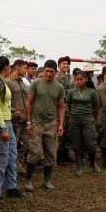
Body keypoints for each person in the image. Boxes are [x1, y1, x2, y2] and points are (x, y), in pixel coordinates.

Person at [24, 60, 65, 190]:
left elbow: (61, 107)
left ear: (56, 72)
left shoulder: (59, 87)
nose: (48, 73)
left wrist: (60, 124)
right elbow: (28, 103)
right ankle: (28, 180)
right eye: (46, 71)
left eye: (51, 71)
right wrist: (28, 122)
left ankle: (47, 180)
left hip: (51, 124)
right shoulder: (36, 83)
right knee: (35, 152)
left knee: (51, 153)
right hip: (36, 123)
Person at [0, 56, 23, 202]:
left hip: (7, 122)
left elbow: (4, 104)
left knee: (12, 156)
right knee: (1, 159)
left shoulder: (2, 83)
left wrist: (13, 111)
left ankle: (11, 187)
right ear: (6, 67)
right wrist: (3, 128)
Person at [66, 71, 100, 176]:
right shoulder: (71, 92)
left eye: (81, 79)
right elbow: (69, 105)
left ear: (86, 80)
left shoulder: (92, 92)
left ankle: (92, 163)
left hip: (88, 119)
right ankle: (79, 166)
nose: (79, 81)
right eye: (77, 79)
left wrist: (93, 118)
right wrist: (73, 115)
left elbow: (96, 107)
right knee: (77, 143)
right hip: (74, 120)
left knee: (90, 142)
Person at [5, 59, 30, 175]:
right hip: (14, 121)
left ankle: (18, 163)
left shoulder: (23, 82)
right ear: (17, 67)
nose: (26, 70)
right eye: (24, 68)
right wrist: (13, 112)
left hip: (25, 120)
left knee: (25, 143)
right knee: (12, 145)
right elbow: (4, 103)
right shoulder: (8, 82)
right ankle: (12, 167)